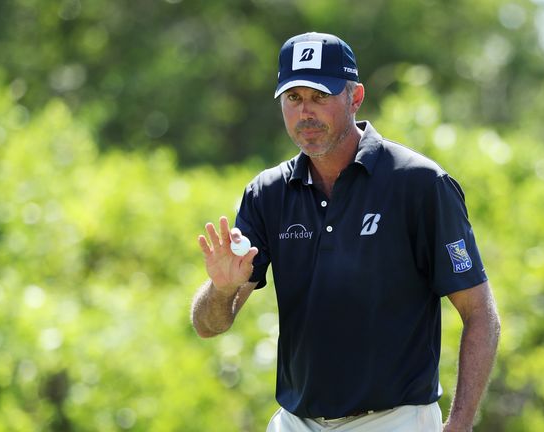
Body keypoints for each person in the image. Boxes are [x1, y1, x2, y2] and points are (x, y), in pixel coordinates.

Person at [191, 32, 500, 432]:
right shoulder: (266, 193)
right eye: (293, 98)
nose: (305, 112)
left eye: (320, 96)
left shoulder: (419, 184)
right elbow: (209, 325)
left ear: (355, 98)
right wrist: (220, 289)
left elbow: (481, 314)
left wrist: (460, 424)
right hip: (296, 423)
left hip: (396, 420)